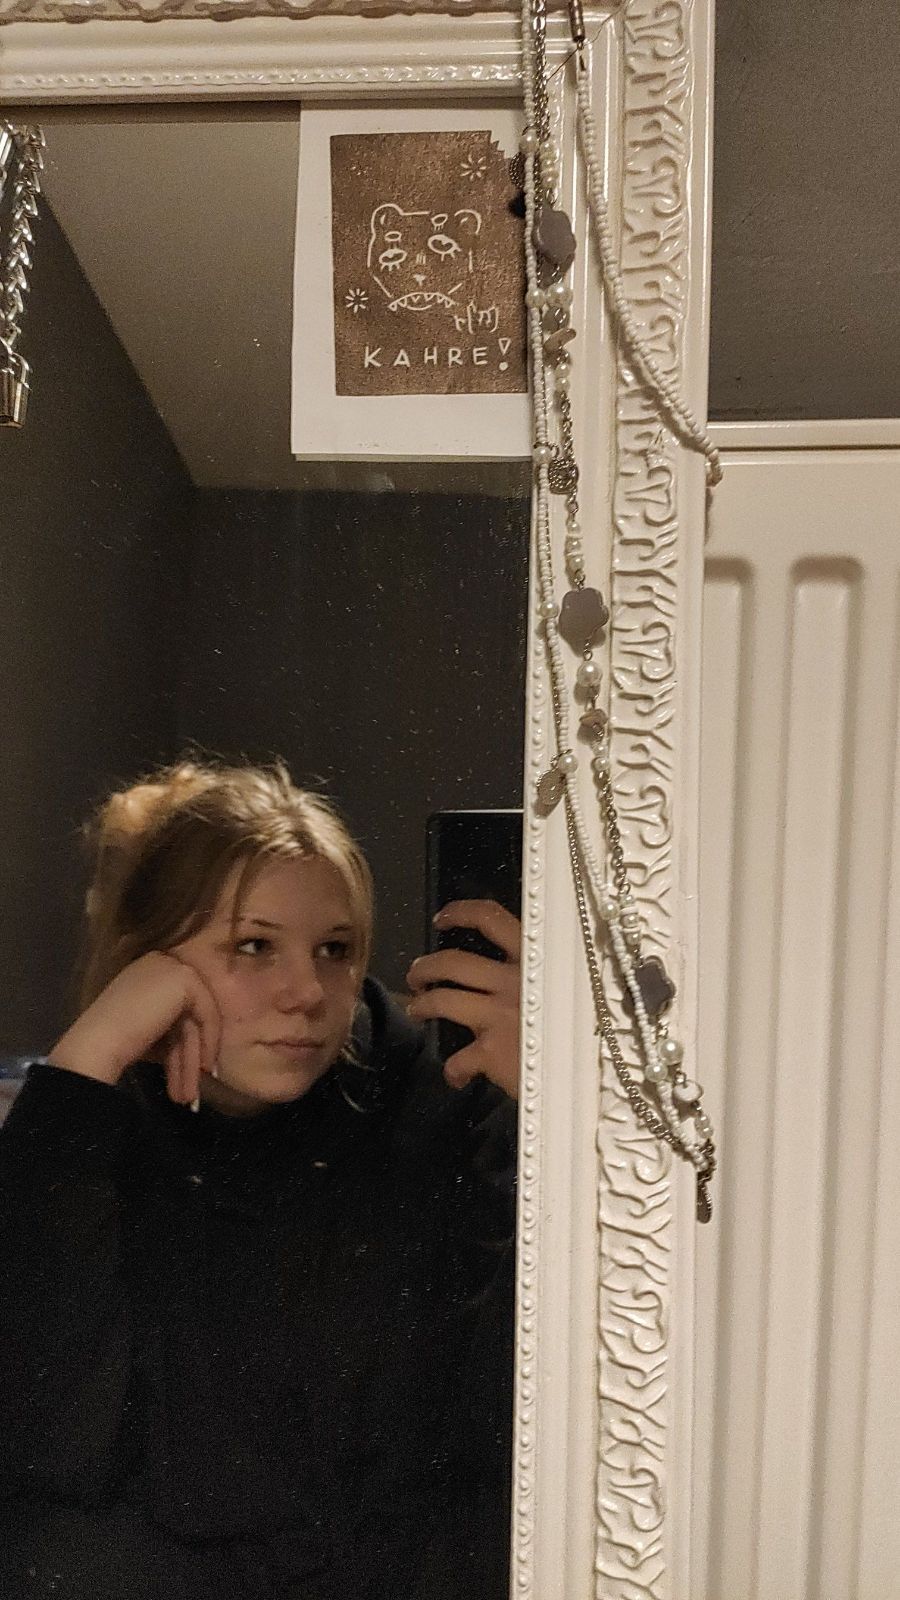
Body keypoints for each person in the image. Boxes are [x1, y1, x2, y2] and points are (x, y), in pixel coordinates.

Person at [0, 760, 520, 1600]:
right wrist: (89, 1055)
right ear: (147, 961)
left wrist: (556, 1095)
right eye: (254, 946)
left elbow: (513, 1424)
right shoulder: (92, 1130)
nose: (307, 992)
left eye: (335, 950)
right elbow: (43, 1447)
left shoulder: (444, 1100)